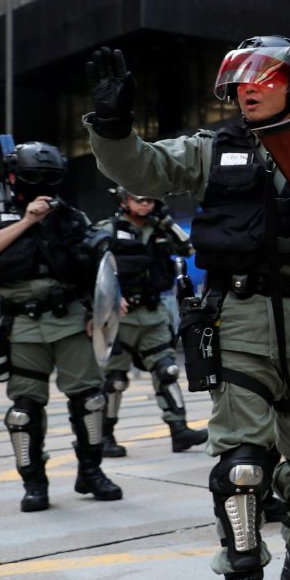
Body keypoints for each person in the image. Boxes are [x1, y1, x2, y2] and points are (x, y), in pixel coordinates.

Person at [84, 36, 290, 580]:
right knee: (242, 466)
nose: (246, 88)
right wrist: (113, 124)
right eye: (239, 80)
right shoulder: (209, 150)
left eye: (263, 78)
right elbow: (140, 167)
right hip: (239, 320)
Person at [0, 141, 123, 512]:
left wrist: (105, 307)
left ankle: (91, 472)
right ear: (14, 177)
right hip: (21, 326)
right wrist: (28, 220)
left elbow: (97, 266)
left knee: (91, 400)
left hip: (70, 320)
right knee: (23, 411)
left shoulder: (71, 217)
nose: (41, 189)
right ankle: (34, 483)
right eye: (33, 180)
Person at [96, 187, 208, 457]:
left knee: (167, 370)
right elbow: (92, 266)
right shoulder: (107, 229)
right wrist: (109, 299)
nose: (145, 204)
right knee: (115, 381)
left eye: (150, 200)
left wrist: (167, 223)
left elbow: (188, 248)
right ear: (124, 200)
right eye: (139, 199)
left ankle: (179, 430)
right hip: (119, 316)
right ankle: (105, 437)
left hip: (153, 313)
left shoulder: (159, 230)